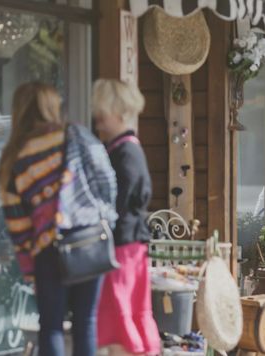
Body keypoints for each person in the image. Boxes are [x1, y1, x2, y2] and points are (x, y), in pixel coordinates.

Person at [0, 82, 117, 356]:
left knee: (50, 327)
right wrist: (104, 223)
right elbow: (107, 180)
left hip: (48, 248)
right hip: (89, 239)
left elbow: (19, 227)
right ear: (51, 106)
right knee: (86, 323)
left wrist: (30, 271)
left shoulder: (15, 157)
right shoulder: (76, 134)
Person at [92, 79, 160, 356]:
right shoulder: (125, 149)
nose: (97, 121)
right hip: (128, 246)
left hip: (123, 248)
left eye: (101, 114)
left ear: (118, 112)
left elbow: (118, 205)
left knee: (121, 318)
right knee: (123, 318)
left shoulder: (125, 152)